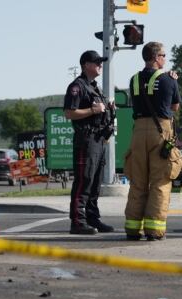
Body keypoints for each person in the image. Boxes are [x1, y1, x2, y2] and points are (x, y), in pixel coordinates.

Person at [123, 41, 182, 241]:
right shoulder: (168, 80)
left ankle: (132, 228)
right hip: (160, 132)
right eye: (164, 55)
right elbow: (174, 107)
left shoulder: (133, 80)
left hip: (138, 132)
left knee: (138, 182)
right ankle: (154, 229)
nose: (165, 58)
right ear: (156, 57)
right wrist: (173, 80)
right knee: (160, 181)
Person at [63, 50, 116, 235]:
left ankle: (92, 218)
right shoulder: (77, 86)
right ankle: (77, 221)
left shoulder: (95, 87)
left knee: (95, 182)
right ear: (86, 65)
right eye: (97, 62)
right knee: (84, 180)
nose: (100, 65)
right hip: (86, 140)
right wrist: (93, 111)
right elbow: (69, 112)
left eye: (101, 62)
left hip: (99, 140)